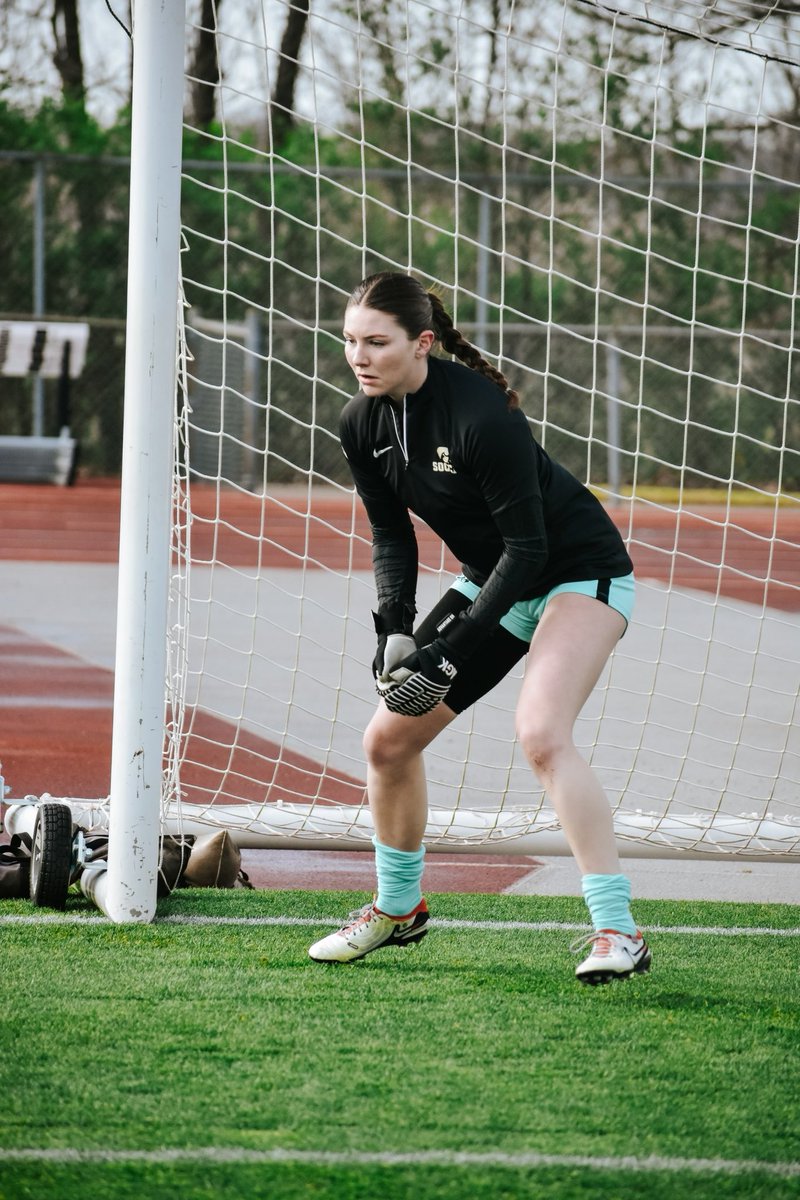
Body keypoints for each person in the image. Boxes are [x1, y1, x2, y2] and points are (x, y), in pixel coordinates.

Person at [308, 271, 651, 986]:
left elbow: (529, 551)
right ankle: (398, 910)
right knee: (387, 740)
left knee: (542, 734)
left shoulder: (480, 416)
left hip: (574, 573)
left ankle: (618, 930)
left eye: (377, 342)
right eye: (350, 341)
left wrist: (450, 650)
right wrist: (395, 632)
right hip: (495, 576)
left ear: (422, 343)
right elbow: (391, 538)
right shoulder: (361, 422)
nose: (359, 357)